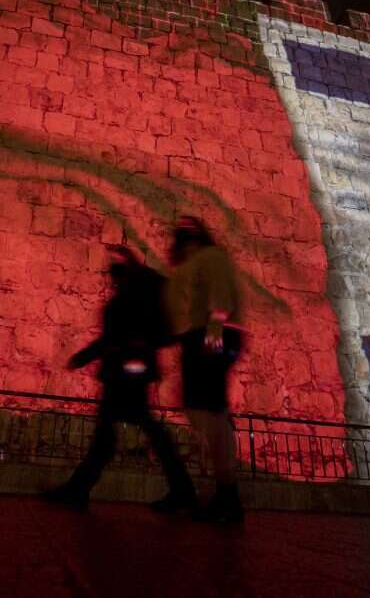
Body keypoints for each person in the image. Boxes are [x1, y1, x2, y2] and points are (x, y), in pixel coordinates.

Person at [41, 246, 196, 510]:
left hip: (124, 376)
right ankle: (181, 490)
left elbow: (111, 340)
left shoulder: (131, 303)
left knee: (122, 435)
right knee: (125, 435)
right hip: (126, 375)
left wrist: (84, 357)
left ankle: (78, 490)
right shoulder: (130, 302)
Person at [163, 216, 245, 523]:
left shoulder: (211, 257)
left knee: (210, 411)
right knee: (201, 409)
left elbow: (220, 291)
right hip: (198, 336)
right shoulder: (189, 267)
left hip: (214, 334)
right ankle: (224, 491)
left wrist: (214, 329)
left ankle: (228, 494)